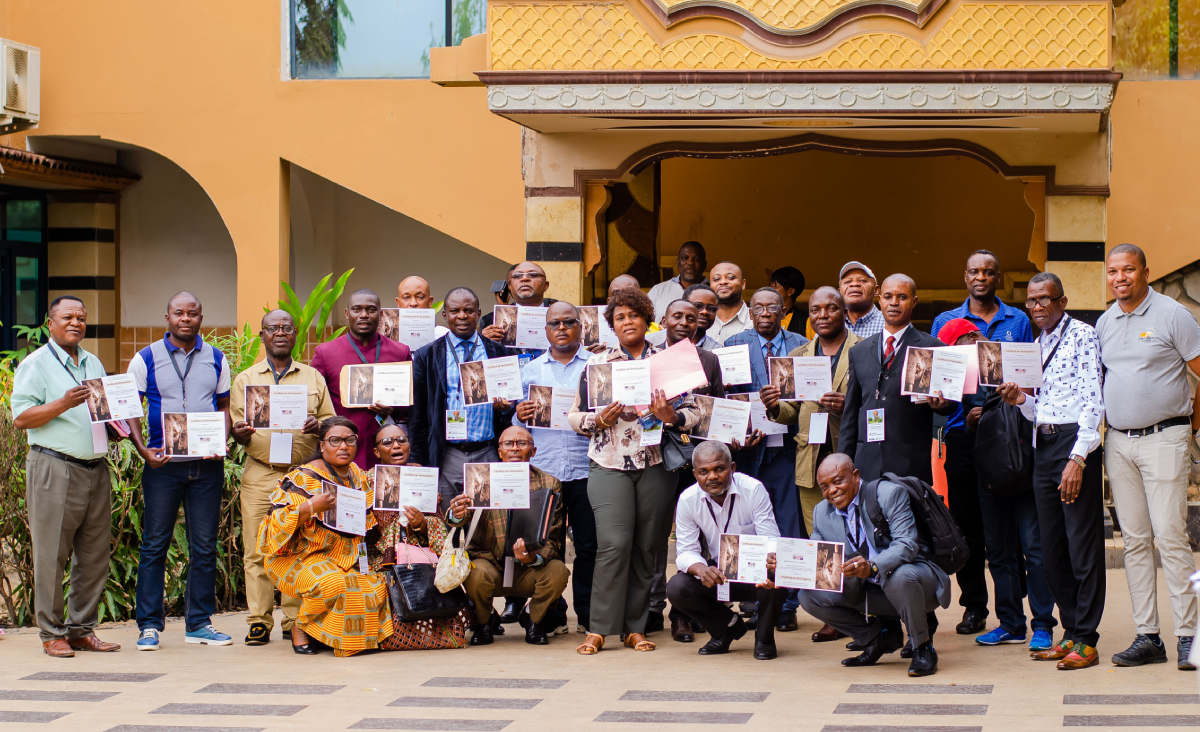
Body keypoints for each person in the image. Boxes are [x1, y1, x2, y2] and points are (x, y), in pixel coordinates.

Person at [569, 287, 701, 655]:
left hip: (656, 464)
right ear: (612, 325)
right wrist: (599, 418)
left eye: (634, 315)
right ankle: (598, 629)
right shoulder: (598, 365)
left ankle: (635, 628)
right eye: (621, 317)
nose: (628, 322)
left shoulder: (669, 360)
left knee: (648, 547)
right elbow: (574, 416)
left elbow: (696, 411)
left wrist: (670, 416)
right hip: (609, 464)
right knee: (614, 544)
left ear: (647, 320)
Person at [1098, 243, 1200, 670]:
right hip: (1119, 444)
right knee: (1135, 542)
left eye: (1129, 270)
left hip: (1165, 438)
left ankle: (1189, 638)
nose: (1120, 278)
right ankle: (1148, 636)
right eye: (1113, 271)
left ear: (1145, 272)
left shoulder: (1173, 315)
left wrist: (1194, 427)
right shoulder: (1105, 322)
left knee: (1171, 538)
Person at [998, 272, 1105, 670]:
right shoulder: (1036, 344)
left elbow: (1094, 400)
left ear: (1062, 300)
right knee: (1051, 547)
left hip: (1073, 446)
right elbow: (1037, 408)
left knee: (1082, 547)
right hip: (1042, 444)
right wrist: (1020, 399)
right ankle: (1071, 631)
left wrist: (1078, 458)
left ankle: (1088, 640)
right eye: (1032, 301)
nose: (1038, 307)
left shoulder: (1083, 335)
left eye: (1046, 299)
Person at [929, 251, 1036, 638]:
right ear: (965, 276)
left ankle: (1014, 612)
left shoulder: (1018, 320)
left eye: (989, 272)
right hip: (961, 435)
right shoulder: (945, 322)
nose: (981, 277)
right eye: (974, 271)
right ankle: (974, 606)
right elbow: (940, 381)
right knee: (967, 527)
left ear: (998, 278)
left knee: (1006, 529)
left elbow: (1028, 375)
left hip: (1007, 436)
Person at [935, 318, 1056, 652]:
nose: (959, 356)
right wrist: (974, 421)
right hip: (989, 470)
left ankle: (1043, 624)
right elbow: (967, 424)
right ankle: (1010, 624)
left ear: (973, 336)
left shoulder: (1017, 356)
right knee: (999, 551)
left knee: (1033, 548)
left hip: (1025, 465)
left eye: (958, 347)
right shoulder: (961, 378)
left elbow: (1041, 404)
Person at [12, 295, 121, 657]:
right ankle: (51, 633)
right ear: (50, 323)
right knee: (51, 554)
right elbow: (22, 417)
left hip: (96, 469)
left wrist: (115, 426)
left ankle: (81, 629)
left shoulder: (93, 362)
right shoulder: (36, 364)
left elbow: (103, 409)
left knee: (93, 554)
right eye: (67, 317)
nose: (75, 323)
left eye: (81, 318)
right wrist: (63, 403)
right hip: (54, 467)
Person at [127, 292, 233, 651]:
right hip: (163, 466)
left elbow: (224, 408)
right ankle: (149, 627)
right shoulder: (145, 358)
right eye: (179, 313)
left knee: (204, 547)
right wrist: (144, 451)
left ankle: (199, 623)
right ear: (167, 316)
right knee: (155, 544)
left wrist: (223, 441)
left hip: (206, 467)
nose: (185, 318)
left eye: (193, 313)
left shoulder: (217, 359)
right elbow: (131, 407)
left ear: (201, 317)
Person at [230, 309, 336, 646]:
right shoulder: (245, 380)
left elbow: (330, 424)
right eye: (272, 328)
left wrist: (319, 426)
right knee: (256, 548)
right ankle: (259, 620)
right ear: (262, 335)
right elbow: (237, 432)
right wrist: (242, 433)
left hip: (300, 477)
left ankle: (294, 619)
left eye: (286, 328)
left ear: (295, 335)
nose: (279, 332)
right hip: (261, 474)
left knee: (297, 545)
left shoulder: (313, 378)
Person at [764, 286, 861, 640]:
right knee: (819, 540)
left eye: (831, 308)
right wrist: (774, 405)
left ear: (842, 312)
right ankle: (832, 614)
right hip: (810, 465)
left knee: (854, 536)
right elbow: (792, 412)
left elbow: (871, 404)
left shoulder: (862, 352)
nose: (822, 315)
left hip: (847, 458)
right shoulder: (800, 354)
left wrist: (846, 404)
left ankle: (862, 608)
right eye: (816, 309)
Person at [797, 454, 951, 676]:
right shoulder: (822, 512)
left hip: (915, 581)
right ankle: (879, 638)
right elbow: (818, 559)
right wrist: (780, 570)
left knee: (900, 576)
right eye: (824, 486)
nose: (831, 490)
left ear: (856, 476)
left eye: (838, 481)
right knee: (808, 597)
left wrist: (872, 567)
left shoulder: (889, 494)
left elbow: (907, 544)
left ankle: (923, 646)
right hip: (868, 589)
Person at [258, 417, 391, 656]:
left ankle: (334, 638)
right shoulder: (303, 478)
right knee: (333, 583)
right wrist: (309, 507)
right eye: (335, 440)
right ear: (322, 445)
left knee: (373, 585)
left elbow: (383, 492)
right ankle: (301, 626)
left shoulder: (356, 475)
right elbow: (272, 527)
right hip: (297, 557)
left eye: (350, 440)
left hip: (344, 557)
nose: (343, 446)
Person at [723, 288, 808, 630]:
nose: (764, 312)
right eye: (757, 307)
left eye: (772, 307)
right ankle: (757, 599)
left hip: (788, 452)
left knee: (788, 528)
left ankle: (786, 605)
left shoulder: (801, 345)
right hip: (749, 452)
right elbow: (727, 395)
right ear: (750, 310)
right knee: (751, 528)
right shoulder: (733, 345)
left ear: (783, 310)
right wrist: (736, 430)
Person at [644, 299, 727, 641]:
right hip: (656, 456)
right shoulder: (647, 357)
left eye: (691, 318)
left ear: (699, 324)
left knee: (695, 532)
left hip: (698, 458)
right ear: (663, 320)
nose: (684, 322)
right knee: (657, 532)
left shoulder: (708, 359)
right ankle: (651, 607)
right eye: (677, 316)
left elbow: (718, 406)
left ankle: (685, 613)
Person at [447, 426, 570, 645]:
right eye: (508, 444)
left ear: (533, 451)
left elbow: (553, 538)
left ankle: (533, 618)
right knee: (474, 573)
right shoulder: (480, 478)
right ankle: (484, 624)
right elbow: (460, 519)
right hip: (490, 564)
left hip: (529, 568)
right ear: (500, 451)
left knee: (558, 571)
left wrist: (534, 558)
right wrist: (456, 514)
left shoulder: (549, 484)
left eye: (522, 443)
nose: (515, 448)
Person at [513, 302, 594, 633]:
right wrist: (520, 412)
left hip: (588, 467)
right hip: (544, 471)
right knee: (549, 544)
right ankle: (553, 613)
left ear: (580, 326)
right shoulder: (530, 371)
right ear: (545, 329)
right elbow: (515, 423)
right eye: (554, 323)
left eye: (569, 322)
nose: (561, 328)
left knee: (589, 545)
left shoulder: (596, 365)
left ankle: (588, 615)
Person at [667, 441, 788, 660]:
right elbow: (685, 550)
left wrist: (771, 558)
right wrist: (702, 569)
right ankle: (726, 628)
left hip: (755, 572)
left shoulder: (753, 489)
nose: (712, 476)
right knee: (677, 587)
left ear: (732, 468)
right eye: (704, 471)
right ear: (695, 474)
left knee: (777, 575)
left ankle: (764, 638)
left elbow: (771, 538)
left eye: (719, 469)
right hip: (719, 574)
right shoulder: (687, 500)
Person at [840, 275, 953, 484]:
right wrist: (844, 462)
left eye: (902, 297)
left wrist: (942, 405)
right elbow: (850, 413)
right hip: (866, 462)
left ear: (914, 302)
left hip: (910, 463)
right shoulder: (859, 351)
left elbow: (948, 405)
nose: (894, 303)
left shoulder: (933, 348)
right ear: (879, 299)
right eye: (888, 296)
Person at [410, 287, 514, 510]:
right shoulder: (426, 355)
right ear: (445, 315)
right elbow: (417, 415)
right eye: (455, 310)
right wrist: (418, 462)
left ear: (479, 313)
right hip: (447, 454)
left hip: (487, 451)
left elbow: (509, 410)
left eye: (468, 310)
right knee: (450, 524)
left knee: (488, 524)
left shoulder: (498, 352)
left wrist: (504, 409)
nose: (462, 316)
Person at [311, 289, 411, 469]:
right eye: (357, 309)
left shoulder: (400, 352)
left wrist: (394, 409)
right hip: (342, 447)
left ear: (380, 314)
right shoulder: (325, 353)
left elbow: (411, 406)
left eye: (371, 310)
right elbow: (313, 404)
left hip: (385, 447)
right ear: (347, 313)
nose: (364, 315)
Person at [648, 241, 708, 321]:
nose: (690, 262)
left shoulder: (714, 292)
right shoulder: (658, 290)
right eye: (685, 258)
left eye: (696, 259)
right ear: (678, 262)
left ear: (704, 264)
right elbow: (643, 321)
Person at [648, 284, 720, 351]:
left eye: (711, 308)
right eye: (697, 306)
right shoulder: (649, 342)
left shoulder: (716, 350)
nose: (705, 312)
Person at [839, 262, 885, 339]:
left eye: (862, 280)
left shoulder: (889, 324)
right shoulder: (831, 325)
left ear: (876, 290)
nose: (854, 284)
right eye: (847, 282)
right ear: (840, 293)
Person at [708, 262, 752, 345]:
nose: (723, 282)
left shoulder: (756, 321)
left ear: (743, 284)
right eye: (717, 279)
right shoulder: (702, 320)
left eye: (730, 277)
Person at [396, 275, 449, 340]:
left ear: (430, 302)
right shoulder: (388, 338)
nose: (413, 303)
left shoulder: (443, 336)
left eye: (420, 297)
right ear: (398, 303)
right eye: (406, 297)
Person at [768, 266, 807, 336]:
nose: (771, 288)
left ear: (790, 291)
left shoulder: (806, 321)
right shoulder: (763, 315)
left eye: (776, 285)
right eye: (771, 284)